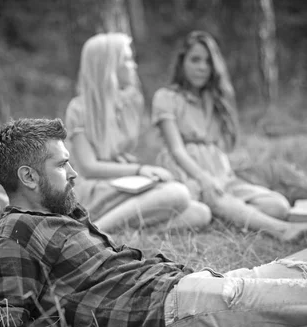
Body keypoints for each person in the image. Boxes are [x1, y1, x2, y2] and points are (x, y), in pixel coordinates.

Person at [0, 117, 307, 327]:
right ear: (29, 177)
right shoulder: (14, 231)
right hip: (175, 315)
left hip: (192, 286)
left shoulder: (57, 215)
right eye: (62, 164)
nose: (73, 172)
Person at [151, 31, 307, 242]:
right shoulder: (166, 97)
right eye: (195, 60)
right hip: (187, 172)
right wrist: (204, 178)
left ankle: (225, 216)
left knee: (278, 205)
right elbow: (176, 150)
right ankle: (282, 230)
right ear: (181, 61)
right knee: (214, 194)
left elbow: (220, 148)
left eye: (207, 62)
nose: (202, 67)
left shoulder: (213, 99)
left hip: (222, 174)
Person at [64, 33, 211, 233]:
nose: (133, 65)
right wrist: (139, 170)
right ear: (108, 66)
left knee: (200, 212)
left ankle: (121, 232)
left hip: (123, 185)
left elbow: (122, 152)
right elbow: (89, 167)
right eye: (126, 59)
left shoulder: (130, 102)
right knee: (177, 193)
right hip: (93, 190)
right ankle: (92, 232)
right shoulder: (79, 108)